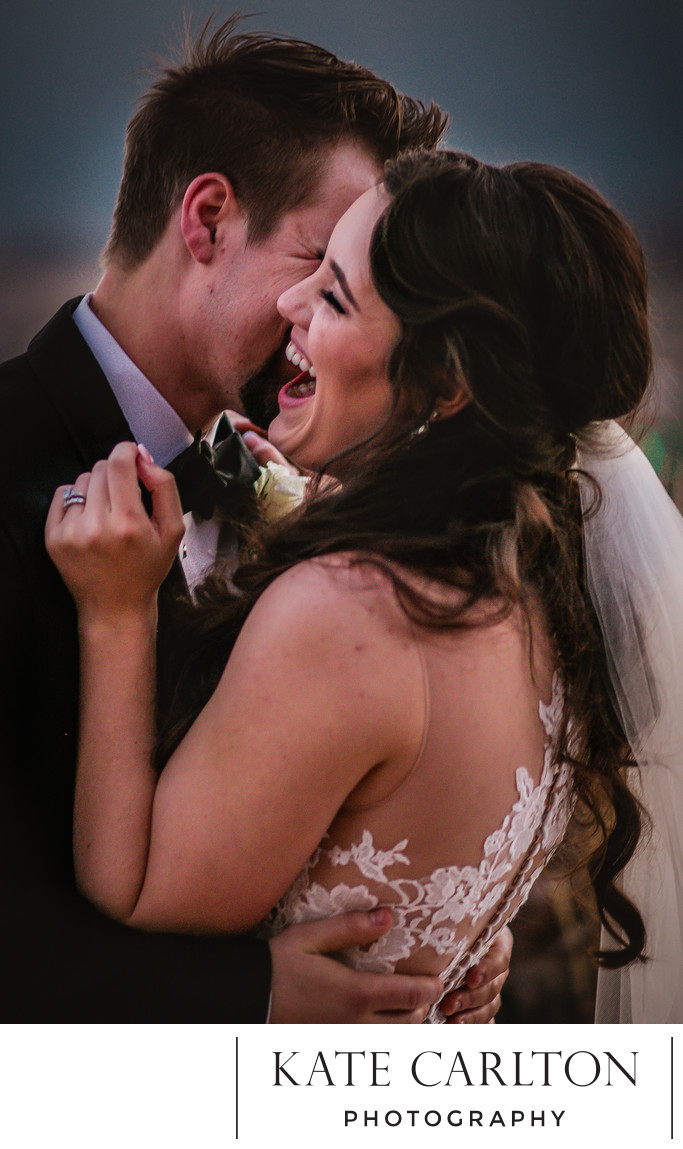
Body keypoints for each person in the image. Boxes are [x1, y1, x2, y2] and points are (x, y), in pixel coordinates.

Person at [47, 149, 652, 1023]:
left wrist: (115, 611)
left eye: (331, 296)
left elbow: (136, 887)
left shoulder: (349, 611)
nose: (290, 304)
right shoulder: (538, 592)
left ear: (443, 385)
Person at [0, 18, 511, 1022]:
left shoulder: (284, 480)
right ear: (207, 221)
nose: (315, 318)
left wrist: (427, 924)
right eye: (317, 262)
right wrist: (244, 996)